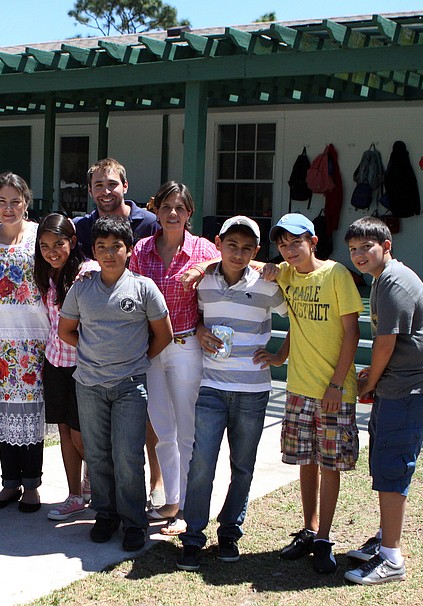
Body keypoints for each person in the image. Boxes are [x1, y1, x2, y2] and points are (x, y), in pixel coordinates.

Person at [175, 216, 287, 571]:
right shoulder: (204, 281)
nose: (238, 254)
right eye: (231, 246)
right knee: (202, 464)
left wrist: (280, 355)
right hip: (213, 387)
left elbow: (299, 318)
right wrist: (198, 328)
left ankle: (229, 533)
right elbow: (195, 316)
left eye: (247, 248)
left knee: (243, 465)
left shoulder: (268, 285)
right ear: (218, 243)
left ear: (256, 251)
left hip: (253, 391)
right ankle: (193, 536)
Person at [59, 216, 172, 551]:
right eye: (102, 247)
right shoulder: (82, 289)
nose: (109, 253)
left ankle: (133, 521)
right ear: (93, 251)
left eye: (116, 247)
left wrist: (135, 359)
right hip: (89, 385)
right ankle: (105, 515)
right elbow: (66, 330)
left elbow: (163, 335)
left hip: (129, 386)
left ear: (129, 250)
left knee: (127, 455)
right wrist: (94, 353)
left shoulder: (143, 288)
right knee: (97, 454)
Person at [257, 213, 363, 573]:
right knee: (306, 462)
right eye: (282, 245)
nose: (289, 250)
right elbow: (298, 323)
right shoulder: (285, 274)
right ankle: (308, 529)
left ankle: (324, 539)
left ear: (313, 241)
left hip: (334, 390)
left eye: (295, 242)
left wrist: (336, 384)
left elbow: (352, 333)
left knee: (330, 465)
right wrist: (279, 356)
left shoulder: (336, 275)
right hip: (299, 388)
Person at [342, 217, 423, 585]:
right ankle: (386, 539)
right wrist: (375, 378)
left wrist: (372, 379)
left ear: (386, 246)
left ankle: (392, 558)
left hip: (410, 389)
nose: (358, 256)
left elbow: (386, 344)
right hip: (400, 386)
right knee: (386, 464)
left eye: (366, 248)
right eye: (352, 249)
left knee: (393, 467)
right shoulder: (384, 279)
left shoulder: (393, 283)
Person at [129, 181, 219, 535]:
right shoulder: (141, 250)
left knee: (187, 431)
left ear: (189, 214)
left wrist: (199, 324)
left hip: (185, 347)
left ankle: (188, 508)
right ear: (156, 209)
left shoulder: (204, 250)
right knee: (162, 430)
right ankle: (172, 499)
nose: (172, 214)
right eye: (166, 206)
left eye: (179, 208)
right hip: (152, 350)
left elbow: (230, 267)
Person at [74, 157, 164, 509]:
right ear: (90, 190)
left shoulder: (149, 223)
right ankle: (100, 488)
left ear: (125, 186)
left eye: (111, 184)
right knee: (102, 430)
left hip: (147, 326)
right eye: (98, 185)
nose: (105, 191)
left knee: (147, 417)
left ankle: (155, 481)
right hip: (101, 332)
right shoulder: (84, 227)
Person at [0, 172, 50, 513]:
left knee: (30, 408)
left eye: (16, 201)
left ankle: (32, 485)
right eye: (2, 201)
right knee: (4, 406)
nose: (9, 208)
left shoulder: (38, 236)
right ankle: (9, 483)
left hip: (33, 338)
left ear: (26, 202)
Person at [34, 213, 99, 521]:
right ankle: (75, 495)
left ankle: (103, 488)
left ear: (72, 242)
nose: (52, 251)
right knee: (64, 432)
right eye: (45, 246)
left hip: (83, 367)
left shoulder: (87, 272)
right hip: (55, 363)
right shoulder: (47, 274)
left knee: (81, 437)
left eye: (58, 244)